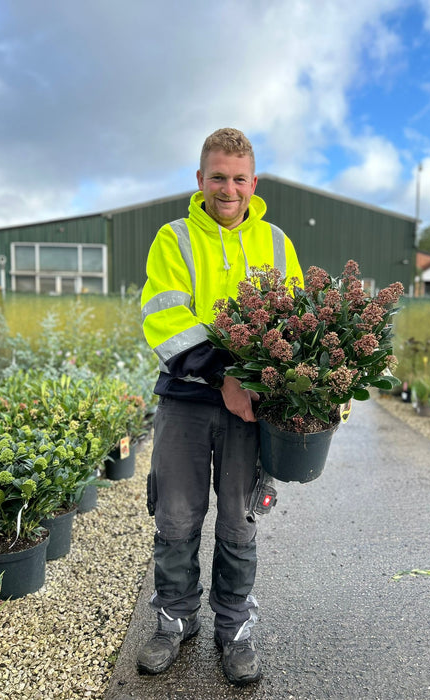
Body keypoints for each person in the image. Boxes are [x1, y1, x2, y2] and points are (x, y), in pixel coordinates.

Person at [138, 128, 302, 685]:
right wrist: (225, 374)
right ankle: (173, 619)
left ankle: (233, 627)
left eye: (238, 178)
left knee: (239, 520)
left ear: (253, 183)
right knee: (177, 517)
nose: (227, 188)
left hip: (247, 413)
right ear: (199, 179)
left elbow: (299, 324)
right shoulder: (175, 238)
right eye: (217, 177)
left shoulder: (278, 243)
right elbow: (165, 318)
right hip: (186, 399)